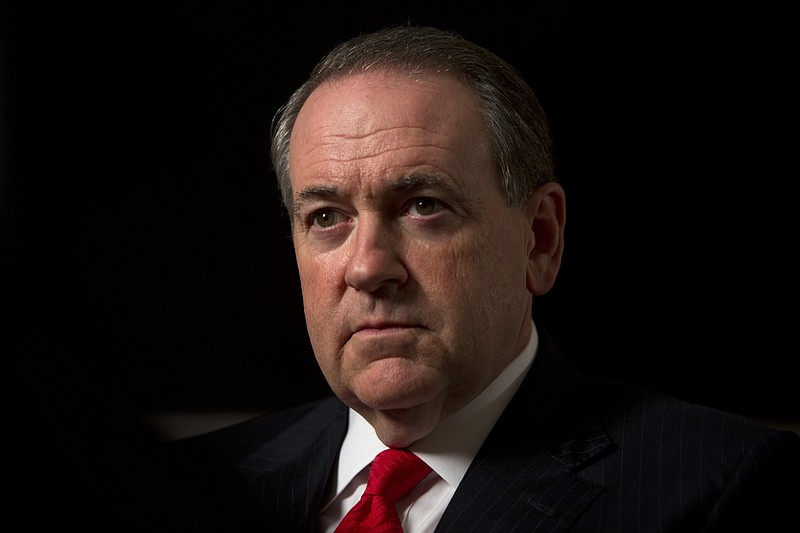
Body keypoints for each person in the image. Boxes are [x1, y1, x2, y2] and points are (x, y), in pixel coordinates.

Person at [164, 24, 800, 532]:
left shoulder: (725, 488)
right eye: (326, 217)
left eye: (423, 206)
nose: (367, 268)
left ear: (539, 239)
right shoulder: (185, 484)